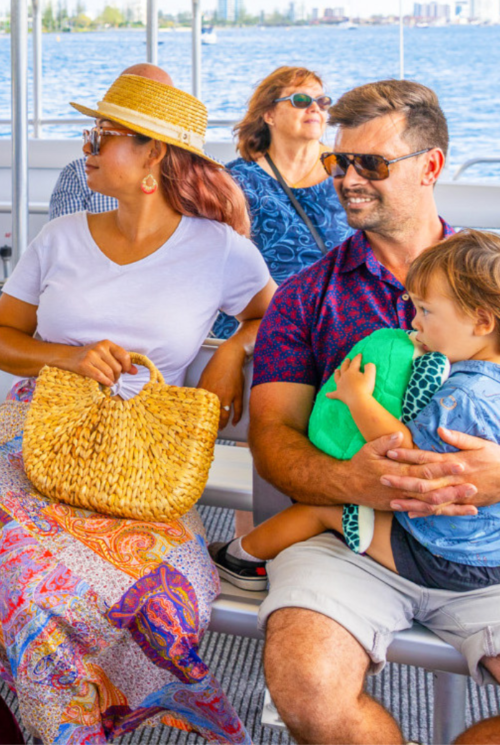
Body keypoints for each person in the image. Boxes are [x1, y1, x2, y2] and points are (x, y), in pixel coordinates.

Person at [0, 71, 275, 744]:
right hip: (33, 431)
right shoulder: (60, 237)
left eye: (103, 136)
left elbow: (275, 317)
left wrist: (235, 349)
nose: (87, 147)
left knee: (161, 590)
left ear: (154, 155)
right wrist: (69, 355)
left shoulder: (219, 251)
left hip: (140, 455)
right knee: (26, 582)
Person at [248, 79, 500, 745]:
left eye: (373, 164)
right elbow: (272, 439)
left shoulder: (493, 279)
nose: (349, 179)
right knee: (307, 688)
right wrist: (353, 484)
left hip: (490, 542)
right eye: (340, 162)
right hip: (353, 544)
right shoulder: (303, 298)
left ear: (432, 166)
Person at [212, 231, 500, 635]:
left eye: (425, 311)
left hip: (440, 556)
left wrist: (358, 398)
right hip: (484, 552)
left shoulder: (462, 393)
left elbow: (407, 453)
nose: (413, 322)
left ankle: (236, 558)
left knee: (325, 510)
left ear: (482, 321)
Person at [212, 65, 350, 338]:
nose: (315, 108)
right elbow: (219, 262)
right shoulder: (236, 181)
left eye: (322, 102)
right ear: (269, 114)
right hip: (262, 325)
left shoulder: (347, 171)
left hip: (338, 322)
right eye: (300, 100)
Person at [48, 62, 173, 219]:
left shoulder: (202, 183)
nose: (87, 148)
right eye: (96, 132)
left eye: (105, 133)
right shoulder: (78, 175)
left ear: (153, 152)